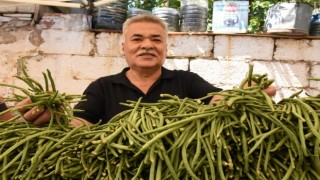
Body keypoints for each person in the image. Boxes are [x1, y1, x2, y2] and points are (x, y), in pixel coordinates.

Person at [0, 14, 276, 126]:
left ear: (166, 48)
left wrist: (244, 95)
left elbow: (218, 100)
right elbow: (80, 125)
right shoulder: (102, 87)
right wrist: (54, 120)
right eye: (137, 39)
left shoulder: (187, 81)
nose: (147, 45)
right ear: (124, 48)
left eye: (156, 39)